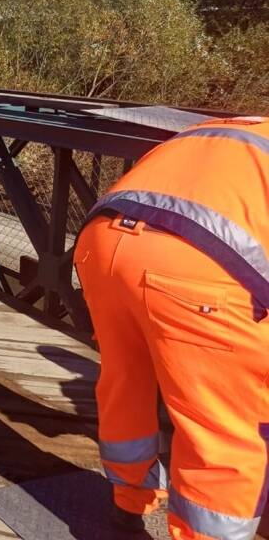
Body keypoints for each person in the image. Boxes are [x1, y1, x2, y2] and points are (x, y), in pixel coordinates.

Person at [73, 116, 268, 538]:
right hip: (197, 269)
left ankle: (126, 507)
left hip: (103, 241)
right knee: (223, 425)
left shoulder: (225, 128)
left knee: (126, 380)